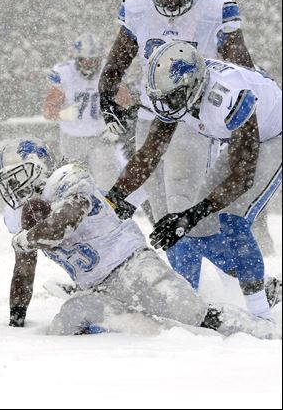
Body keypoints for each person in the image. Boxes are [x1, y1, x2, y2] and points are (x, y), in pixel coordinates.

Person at [0, 137, 280, 339]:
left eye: (16, 176)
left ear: (39, 166)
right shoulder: (25, 215)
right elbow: (24, 270)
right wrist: (16, 319)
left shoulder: (69, 177)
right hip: (95, 286)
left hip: (132, 265)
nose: (12, 186)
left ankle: (265, 334)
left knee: (193, 314)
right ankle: (137, 322)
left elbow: (63, 224)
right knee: (66, 323)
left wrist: (28, 238)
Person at [104, 41, 282, 321]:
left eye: (173, 98)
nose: (166, 105)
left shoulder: (228, 96)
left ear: (195, 84)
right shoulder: (176, 89)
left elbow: (243, 177)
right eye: (162, 98)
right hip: (239, 137)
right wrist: (115, 195)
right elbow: (149, 154)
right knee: (198, 230)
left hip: (273, 138)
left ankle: (262, 315)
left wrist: (193, 212)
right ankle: (266, 287)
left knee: (233, 217)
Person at [42, 31, 128, 192]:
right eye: (84, 60)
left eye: (92, 60)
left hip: (101, 136)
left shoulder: (109, 70)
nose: (88, 64)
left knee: (106, 181)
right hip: (72, 137)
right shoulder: (65, 73)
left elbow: (125, 102)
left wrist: (117, 122)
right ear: (77, 58)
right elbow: (48, 109)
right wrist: (62, 114)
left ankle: (108, 213)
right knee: (73, 183)